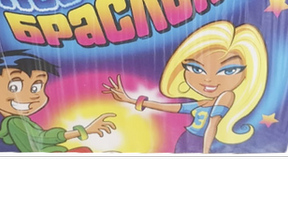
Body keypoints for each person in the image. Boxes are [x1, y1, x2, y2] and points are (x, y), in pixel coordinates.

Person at [103, 21, 267, 153]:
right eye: (196, 69)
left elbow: (212, 125)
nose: (208, 79)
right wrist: (129, 100)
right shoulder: (204, 102)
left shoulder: (226, 96)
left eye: (229, 70)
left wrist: (206, 152)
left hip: (200, 144)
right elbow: (170, 107)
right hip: (188, 141)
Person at [0, 49, 115, 152]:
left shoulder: (20, 121)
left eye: (36, 87)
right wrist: (83, 131)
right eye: (14, 87)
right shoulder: (15, 122)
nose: (32, 96)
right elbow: (42, 138)